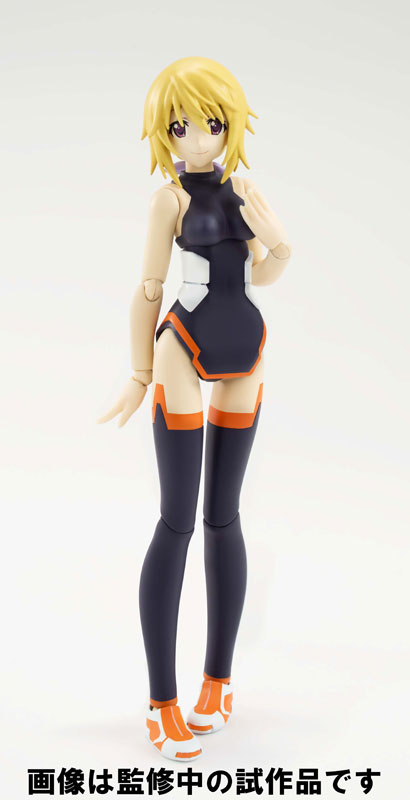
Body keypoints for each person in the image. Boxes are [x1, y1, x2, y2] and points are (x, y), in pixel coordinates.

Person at [98, 56, 291, 761]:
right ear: (164, 133)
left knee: (223, 517)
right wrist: (138, 372)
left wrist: (282, 246)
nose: (199, 138)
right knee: (177, 520)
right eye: (181, 127)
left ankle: (218, 682)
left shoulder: (245, 191)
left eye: (211, 123)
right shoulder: (169, 202)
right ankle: (162, 702)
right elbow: (150, 289)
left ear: (231, 124)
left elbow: (261, 271)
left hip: (247, 346)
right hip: (183, 345)